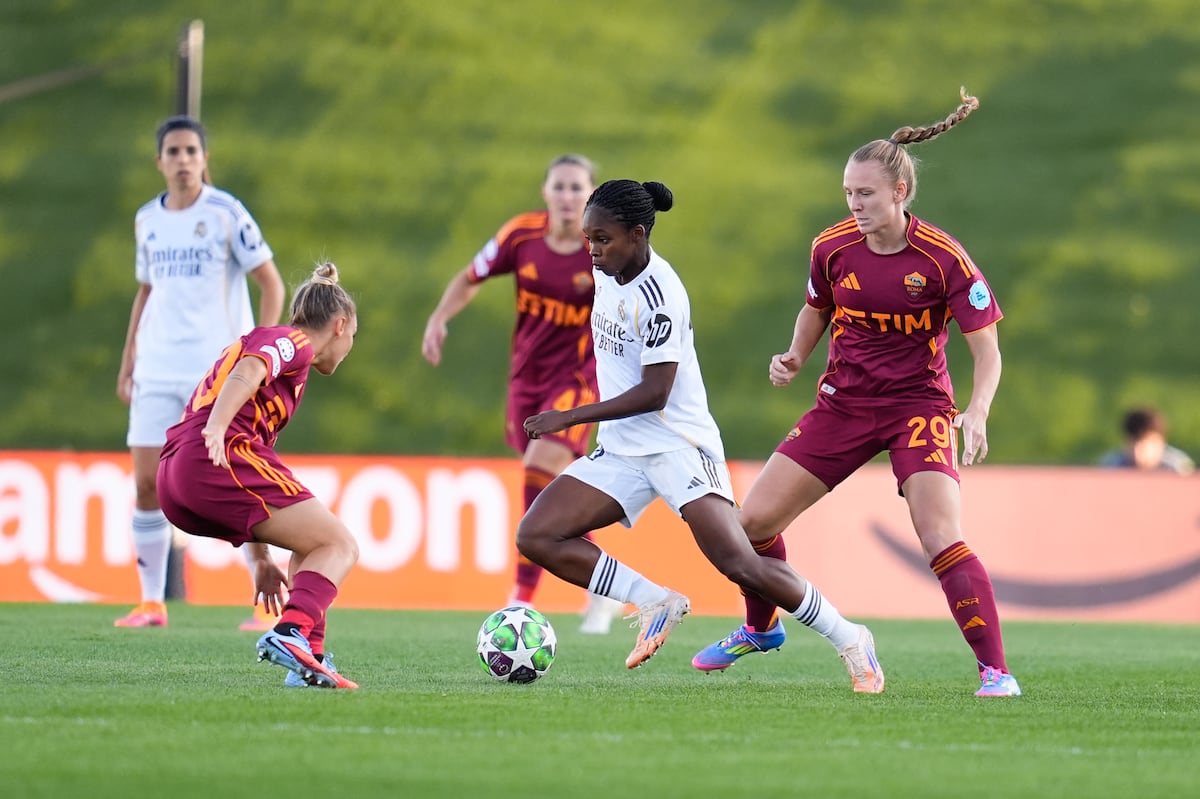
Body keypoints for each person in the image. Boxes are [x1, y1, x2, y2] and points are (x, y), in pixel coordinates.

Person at [691, 88, 1021, 697]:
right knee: (752, 523)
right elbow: (816, 308)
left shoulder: (943, 258)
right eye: (848, 193)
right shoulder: (832, 247)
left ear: (900, 192)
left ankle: (995, 671)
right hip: (842, 405)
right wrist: (795, 356)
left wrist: (976, 410)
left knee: (939, 534)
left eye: (865, 194)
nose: (855, 204)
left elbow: (987, 346)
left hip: (916, 409)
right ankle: (760, 628)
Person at [518, 179, 884, 690]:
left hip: (677, 445)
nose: (593, 250)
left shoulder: (662, 293)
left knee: (741, 564)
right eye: (588, 238)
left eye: (603, 239)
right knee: (537, 534)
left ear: (638, 234)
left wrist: (571, 416)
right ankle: (653, 600)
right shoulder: (606, 270)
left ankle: (850, 638)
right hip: (623, 448)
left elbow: (656, 392)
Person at [422, 154, 622, 634]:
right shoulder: (520, 236)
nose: (568, 197)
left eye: (578, 189)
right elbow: (471, 275)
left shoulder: (600, 250)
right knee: (548, 490)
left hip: (577, 380)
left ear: (591, 196)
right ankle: (606, 585)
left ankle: (521, 598)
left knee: (537, 469)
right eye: (560, 187)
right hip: (527, 381)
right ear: (545, 192)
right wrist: (439, 317)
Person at [114, 115, 285, 631]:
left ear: (205, 159)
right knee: (146, 482)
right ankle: (151, 603)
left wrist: (260, 356)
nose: (183, 160)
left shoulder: (227, 213)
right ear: (160, 162)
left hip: (217, 371)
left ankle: (263, 599)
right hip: (158, 367)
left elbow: (271, 284)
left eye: (191, 151)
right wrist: (129, 361)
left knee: (236, 475)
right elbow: (146, 292)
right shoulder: (148, 220)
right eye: (174, 152)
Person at [157, 262, 360, 689]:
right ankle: (290, 632)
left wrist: (261, 557)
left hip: (176, 473)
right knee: (340, 544)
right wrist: (216, 426)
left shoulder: (291, 362)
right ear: (340, 325)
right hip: (210, 452)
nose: (350, 347)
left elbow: (256, 490)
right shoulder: (294, 341)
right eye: (353, 337)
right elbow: (247, 373)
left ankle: (308, 659)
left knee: (313, 540)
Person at [1099, 406, 1194, 474]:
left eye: (1145, 445)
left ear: (1160, 441)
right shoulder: (1111, 467)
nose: (1137, 452)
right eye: (1133, 444)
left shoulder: (1177, 468)